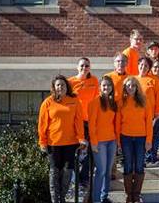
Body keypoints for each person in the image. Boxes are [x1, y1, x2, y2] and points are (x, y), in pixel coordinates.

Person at [38, 75, 86, 203]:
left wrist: (81, 138)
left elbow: (78, 122)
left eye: (63, 85)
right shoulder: (48, 102)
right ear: (54, 87)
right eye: (58, 85)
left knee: (67, 172)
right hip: (53, 144)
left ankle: (62, 198)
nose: (60, 87)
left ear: (67, 87)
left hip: (71, 143)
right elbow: (42, 124)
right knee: (54, 173)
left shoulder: (74, 101)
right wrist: (42, 142)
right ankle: (55, 200)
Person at [115, 77, 153, 202]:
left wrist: (149, 140)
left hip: (141, 137)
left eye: (133, 85)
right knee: (128, 164)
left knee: (139, 165)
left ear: (137, 87)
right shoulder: (121, 102)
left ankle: (136, 194)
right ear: (124, 87)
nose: (130, 88)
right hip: (125, 137)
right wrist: (118, 141)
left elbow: (148, 122)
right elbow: (118, 123)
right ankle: (128, 194)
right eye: (128, 85)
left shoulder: (144, 101)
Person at [88, 76, 118, 203]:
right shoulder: (94, 103)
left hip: (112, 141)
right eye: (104, 85)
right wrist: (94, 143)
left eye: (109, 85)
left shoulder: (113, 103)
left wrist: (117, 141)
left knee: (108, 171)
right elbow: (92, 125)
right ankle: (96, 199)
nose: (107, 87)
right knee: (101, 170)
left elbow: (115, 123)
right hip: (99, 142)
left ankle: (104, 197)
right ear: (100, 87)